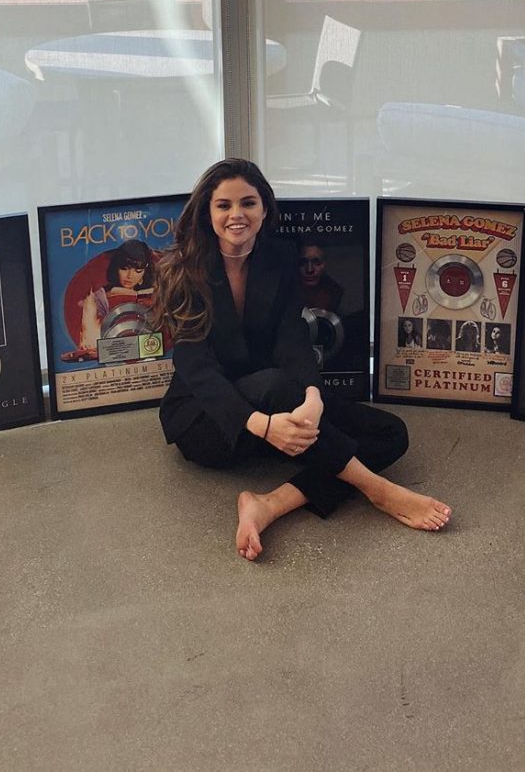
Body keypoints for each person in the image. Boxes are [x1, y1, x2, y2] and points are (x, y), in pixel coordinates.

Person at [155, 158, 451, 561]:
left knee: (390, 433)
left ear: (265, 208)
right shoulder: (182, 270)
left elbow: (291, 338)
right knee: (278, 386)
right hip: (209, 422)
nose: (237, 214)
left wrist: (313, 396)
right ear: (207, 212)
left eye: (248, 203)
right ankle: (378, 490)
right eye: (224, 205)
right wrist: (262, 424)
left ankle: (269, 504)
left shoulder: (279, 256)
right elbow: (197, 371)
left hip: (277, 403)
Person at [297, 242, 344, 313]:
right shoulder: (286, 292)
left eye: (316, 262)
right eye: (303, 262)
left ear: (325, 264)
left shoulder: (334, 291)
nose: (309, 270)